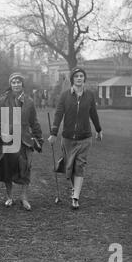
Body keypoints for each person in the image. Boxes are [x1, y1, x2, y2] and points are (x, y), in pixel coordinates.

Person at [48, 67, 103, 209]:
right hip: (67, 138)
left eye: (81, 76)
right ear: (72, 79)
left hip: (85, 137)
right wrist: (54, 132)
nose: (79, 78)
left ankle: (76, 197)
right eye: (76, 76)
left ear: (84, 79)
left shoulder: (89, 95)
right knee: (69, 167)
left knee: (80, 165)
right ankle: (73, 188)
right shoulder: (65, 95)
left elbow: (94, 114)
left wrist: (98, 130)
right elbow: (58, 114)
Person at [0, 73, 43, 210]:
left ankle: (24, 198)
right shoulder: (2, 101)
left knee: (25, 168)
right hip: (7, 139)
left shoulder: (29, 101)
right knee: (8, 168)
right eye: (14, 82)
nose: (16, 84)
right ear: (10, 84)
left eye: (19, 82)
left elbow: (34, 121)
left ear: (22, 84)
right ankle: (9, 196)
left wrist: (39, 138)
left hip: (24, 139)